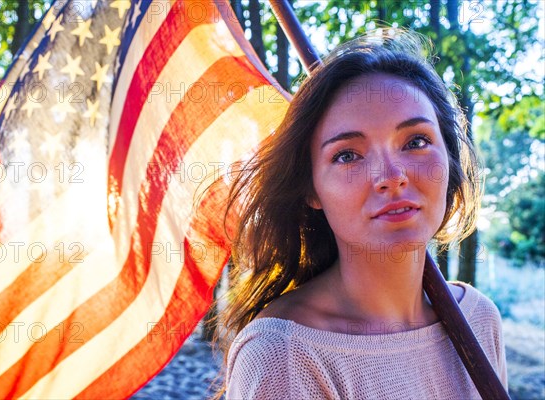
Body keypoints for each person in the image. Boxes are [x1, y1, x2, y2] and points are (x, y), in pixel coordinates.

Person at [217, 30, 508, 399]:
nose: (391, 177)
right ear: (311, 188)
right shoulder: (284, 355)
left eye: (416, 141)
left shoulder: (479, 319)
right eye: (347, 155)